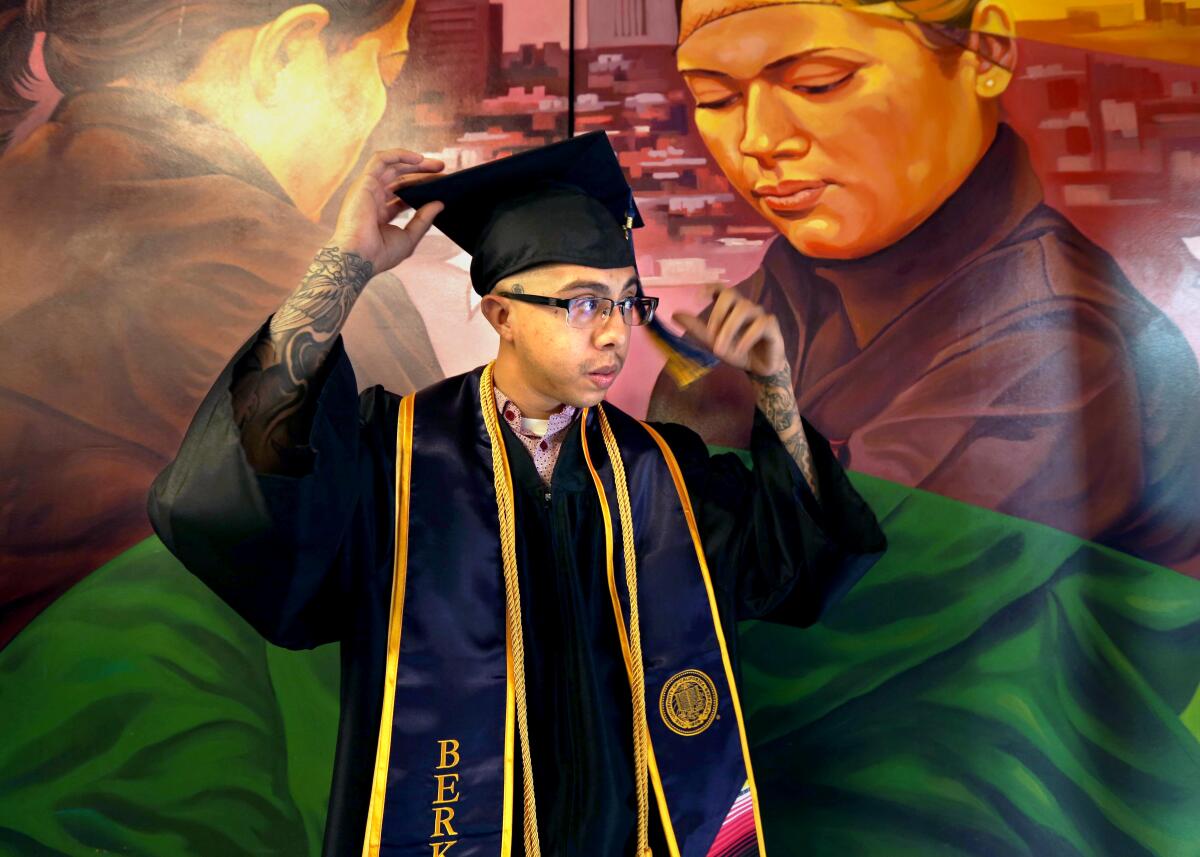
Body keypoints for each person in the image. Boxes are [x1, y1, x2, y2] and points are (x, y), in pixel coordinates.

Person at [148, 132, 886, 856]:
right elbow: (239, 501)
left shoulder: (661, 471)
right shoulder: (393, 460)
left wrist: (773, 384)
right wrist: (347, 267)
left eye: (625, 302)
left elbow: (801, 566)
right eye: (580, 303)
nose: (613, 336)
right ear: (500, 313)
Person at [648, 0, 1200, 573]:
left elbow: (844, 597)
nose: (759, 139)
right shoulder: (775, 297)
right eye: (715, 97)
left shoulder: (1064, 341)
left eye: (819, 83)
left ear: (983, 51)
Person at [0, 0, 443, 646]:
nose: (381, 104)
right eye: (385, 65)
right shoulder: (326, 299)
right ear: (289, 49)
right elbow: (444, 566)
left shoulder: (21, 192)